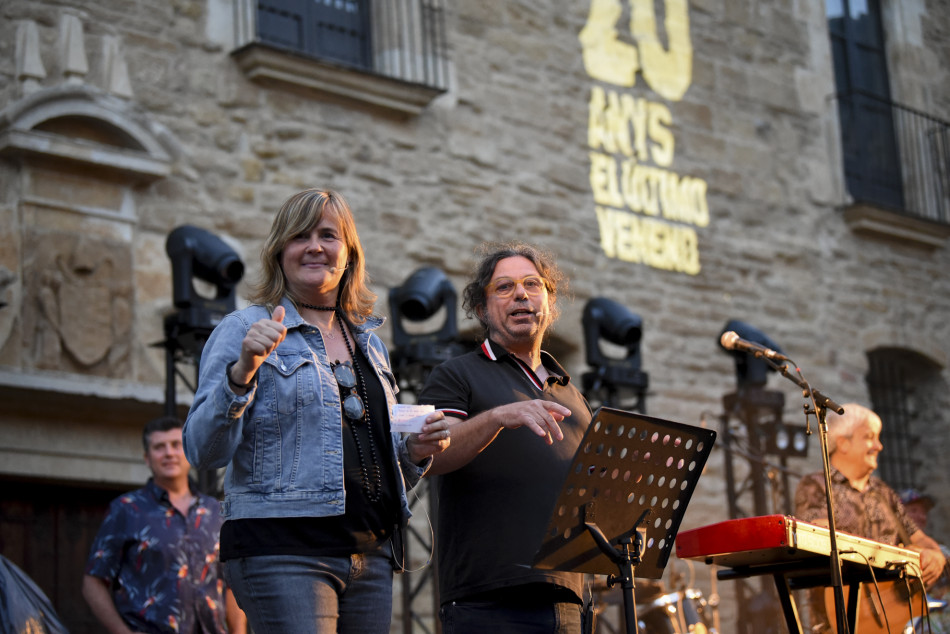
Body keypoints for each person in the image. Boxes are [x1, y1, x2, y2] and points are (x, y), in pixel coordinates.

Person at [182, 188, 451, 634]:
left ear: (348, 254)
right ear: (279, 251)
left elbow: (374, 467)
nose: (314, 246)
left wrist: (416, 453)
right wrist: (242, 372)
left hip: (372, 554)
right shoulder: (244, 329)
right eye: (299, 236)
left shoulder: (371, 344)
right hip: (282, 551)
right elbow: (202, 451)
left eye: (328, 235)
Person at [418, 242, 593, 633]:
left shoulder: (573, 395)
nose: (520, 294)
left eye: (533, 284)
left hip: (569, 598)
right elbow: (431, 456)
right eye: (504, 287)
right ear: (482, 309)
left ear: (549, 301)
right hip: (488, 601)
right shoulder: (457, 374)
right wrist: (497, 417)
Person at [82, 416, 246, 634]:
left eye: (176, 445)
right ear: (147, 458)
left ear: (189, 452)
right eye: (159, 447)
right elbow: (93, 581)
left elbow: (232, 585)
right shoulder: (126, 509)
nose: (169, 453)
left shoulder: (217, 512)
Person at [794, 403, 947, 631]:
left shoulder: (883, 492)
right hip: (840, 616)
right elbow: (821, 537)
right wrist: (897, 555)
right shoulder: (816, 486)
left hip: (894, 618)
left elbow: (918, 537)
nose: (879, 445)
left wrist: (935, 555)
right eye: (870, 437)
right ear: (844, 443)